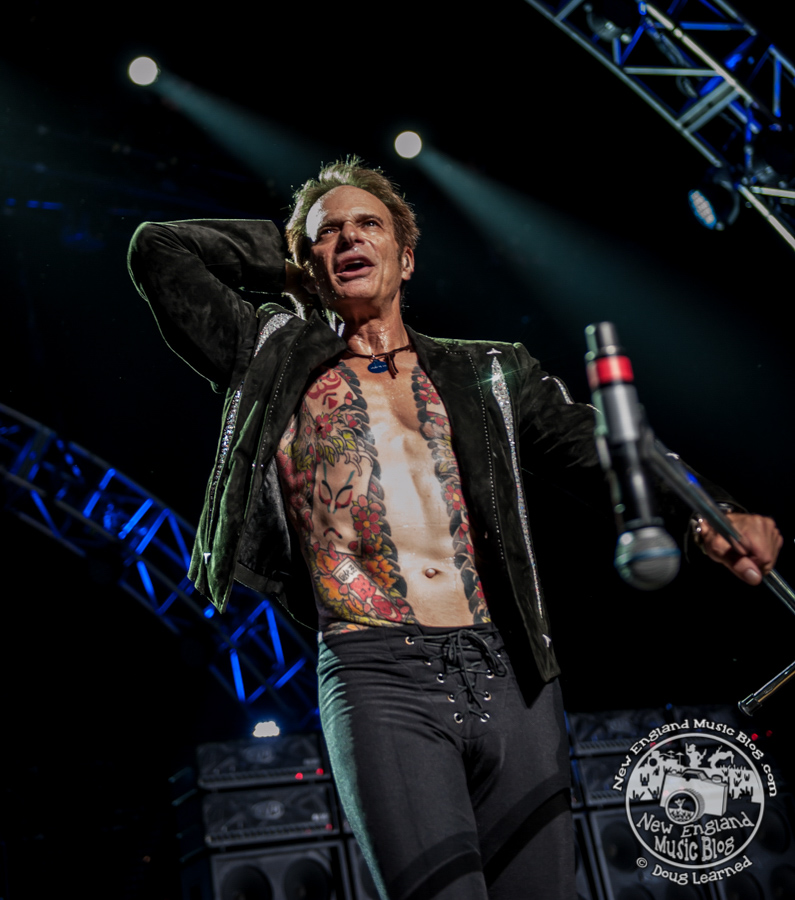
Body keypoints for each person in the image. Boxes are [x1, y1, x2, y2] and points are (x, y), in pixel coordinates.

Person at [127, 158, 782, 900]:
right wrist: (291, 259)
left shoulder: (489, 372)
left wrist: (708, 513)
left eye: (368, 225)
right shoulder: (270, 357)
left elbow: (604, 450)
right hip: (377, 671)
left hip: (508, 667)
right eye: (328, 233)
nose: (349, 238)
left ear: (406, 258)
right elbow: (159, 250)